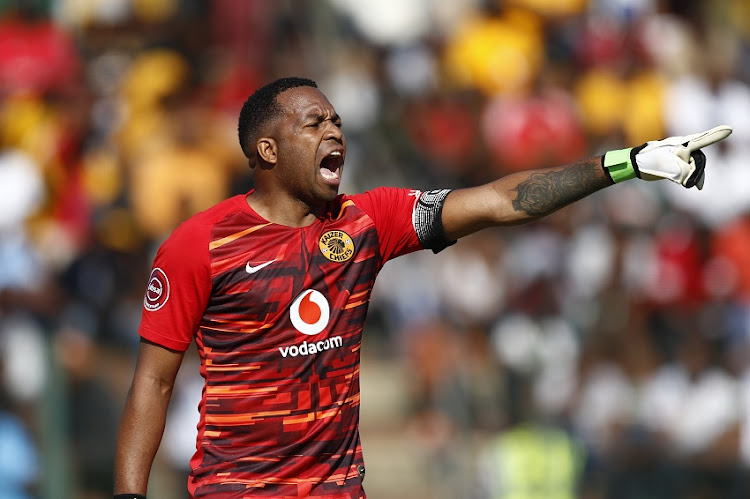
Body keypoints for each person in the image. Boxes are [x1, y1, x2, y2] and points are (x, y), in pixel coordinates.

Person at [113, 76, 731, 499]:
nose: (334, 131)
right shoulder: (199, 244)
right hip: (236, 489)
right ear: (266, 148)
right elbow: (153, 381)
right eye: (313, 123)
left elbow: (500, 202)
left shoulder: (367, 220)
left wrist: (623, 162)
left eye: (336, 120)